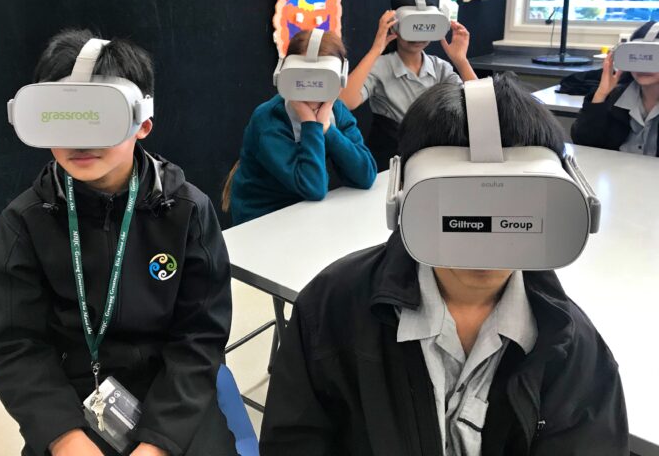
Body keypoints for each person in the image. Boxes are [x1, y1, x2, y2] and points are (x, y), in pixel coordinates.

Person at [260, 73, 628, 456]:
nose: (486, 240)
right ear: (403, 195)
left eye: (513, 206)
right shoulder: (330, 310)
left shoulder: (575, 352)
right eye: (461, 205)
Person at [0, 30, 236, 456]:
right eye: (63, 118)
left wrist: (160, 442)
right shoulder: (25, 222)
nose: (80, 140)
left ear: (143, 122)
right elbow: (14, 345)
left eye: (98, 118)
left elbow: (200, 336)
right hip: (71, 399)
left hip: (172, 392)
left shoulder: (187, 211)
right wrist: (63, 435)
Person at [224, 29, 376, 225]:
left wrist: (327, 129)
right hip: (261, 220)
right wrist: (311, 123)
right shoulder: (268, 121)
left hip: (304, 211)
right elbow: (313, 188)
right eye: (302, 79)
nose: (311, 89)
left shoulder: (337, 111)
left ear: (340, 78)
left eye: (322, 80)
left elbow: (365, 175)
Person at [339, 0, 478, 168]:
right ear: (394, 24)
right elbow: (344, 101)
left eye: (425, 26)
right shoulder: (380, 66)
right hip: (391, 163)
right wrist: (376, 50)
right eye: (412, 26)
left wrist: (461, 61)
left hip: (433, 160)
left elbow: (479, 103)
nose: (417, 36)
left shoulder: (440, 68)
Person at [571, 20, 659, 156]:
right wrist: (601, 94)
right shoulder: (616, 97)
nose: (643, 67)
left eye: (653, 58)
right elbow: (584, 142)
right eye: (636, 57)